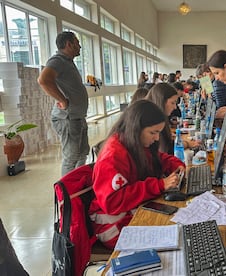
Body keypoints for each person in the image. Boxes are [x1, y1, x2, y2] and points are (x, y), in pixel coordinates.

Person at [89, 100, 184, 249]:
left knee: (175, 222)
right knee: (172, 233)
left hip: (131, 210)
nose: (157, 138)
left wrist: (176, 165)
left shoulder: (133, 142)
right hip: (112, 225)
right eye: (153, 133)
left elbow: (158, 158)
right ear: (136, 128)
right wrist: (159, 185)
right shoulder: (113, 156)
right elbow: (112, 202)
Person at [38, 31, 89, 176]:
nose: (79, 46)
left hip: (77, 116)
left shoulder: (67, 62)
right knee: (71, 157)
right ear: (69, 44)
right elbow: (43, 80)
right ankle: (66, 194)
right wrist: (62, 100)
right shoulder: (58, 60)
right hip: (67, 118)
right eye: (77, 43)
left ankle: (77, 185)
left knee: (82, 153)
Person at [145, 83, 199, 152]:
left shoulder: (158, 117)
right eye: (172, 103)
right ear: (162, 101)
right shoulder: (153, 122)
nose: (175, 107)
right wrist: (187, 143)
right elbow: (168, 149)